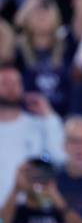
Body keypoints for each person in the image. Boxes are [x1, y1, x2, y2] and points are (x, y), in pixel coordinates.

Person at [0, 65, 64, 205]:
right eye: (4, 83)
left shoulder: (40, 124)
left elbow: (61, 158)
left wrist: (48, 115)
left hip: (29, 211)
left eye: (16, 83)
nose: (11, 88)